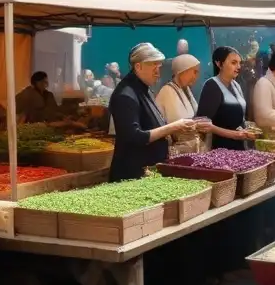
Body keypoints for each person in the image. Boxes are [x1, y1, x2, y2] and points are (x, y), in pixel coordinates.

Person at [108, 43, 196, 182]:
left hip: (149, 172)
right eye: (153, 65)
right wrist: (174, 126)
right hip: (132, 176)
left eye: (159, 66)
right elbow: (135, 137)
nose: (158, 72)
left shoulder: (144, 88)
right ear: (138, 66)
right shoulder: (125, 95)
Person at [196, 46, 252, 150]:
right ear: (219, 64)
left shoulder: (236, 85)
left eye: (240, 63)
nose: (239, 67)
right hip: (220, 149)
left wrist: (248, 130)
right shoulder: (212, 85)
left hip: (240, 146)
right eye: (234, 63)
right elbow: (202, 123)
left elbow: (240, 117)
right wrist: (233, 134)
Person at [155, 54, 207, 155]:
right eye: (195, 72)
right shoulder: (167, 91)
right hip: (178, 153)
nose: (197, 76)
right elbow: (174, 124)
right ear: (182, 71)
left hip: (192, 150)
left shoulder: (185, 89)